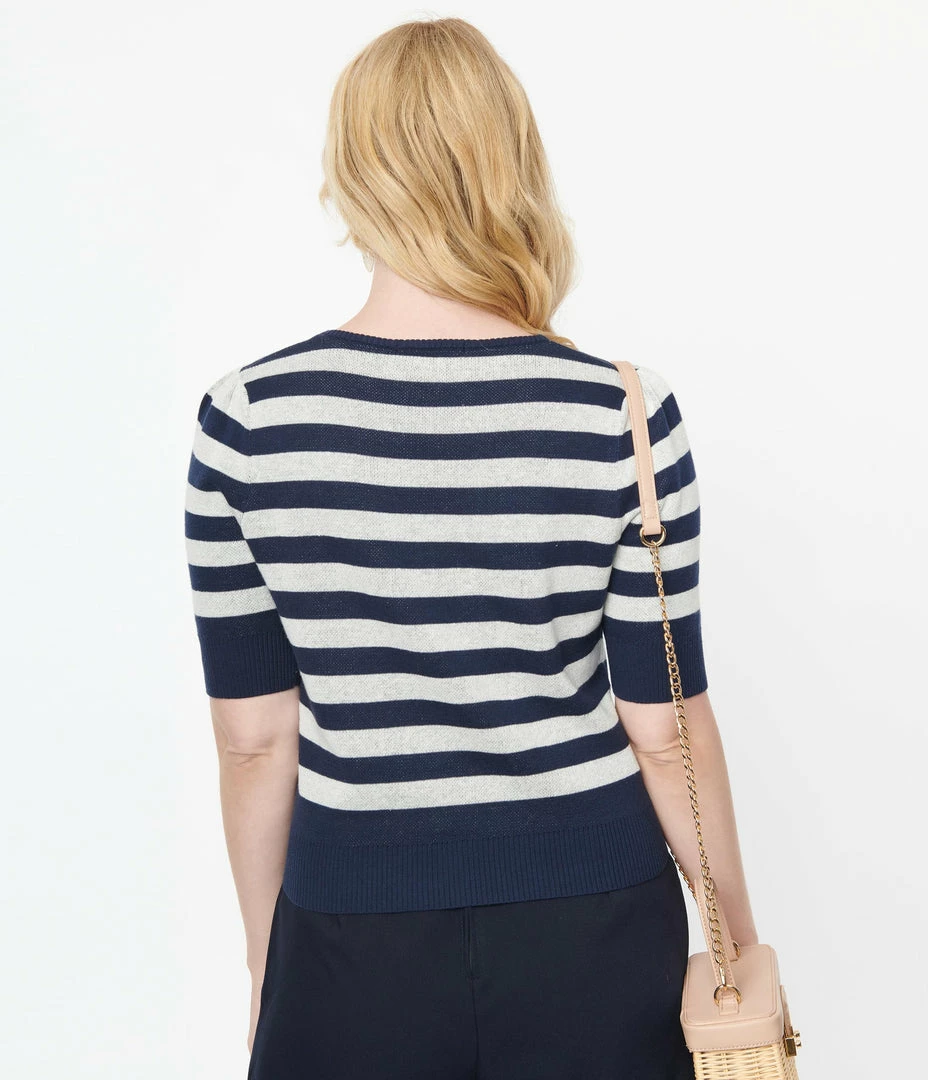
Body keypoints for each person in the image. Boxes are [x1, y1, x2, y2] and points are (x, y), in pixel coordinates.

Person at [183, 16, 758, 1080]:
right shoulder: (623, 415)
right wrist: (739, 947)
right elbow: (664, 728)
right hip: (596, 924)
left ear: (351, 176)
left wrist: (269, 961)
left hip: (349, 931)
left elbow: (255, 741)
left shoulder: (248, 419)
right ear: (512, 165)